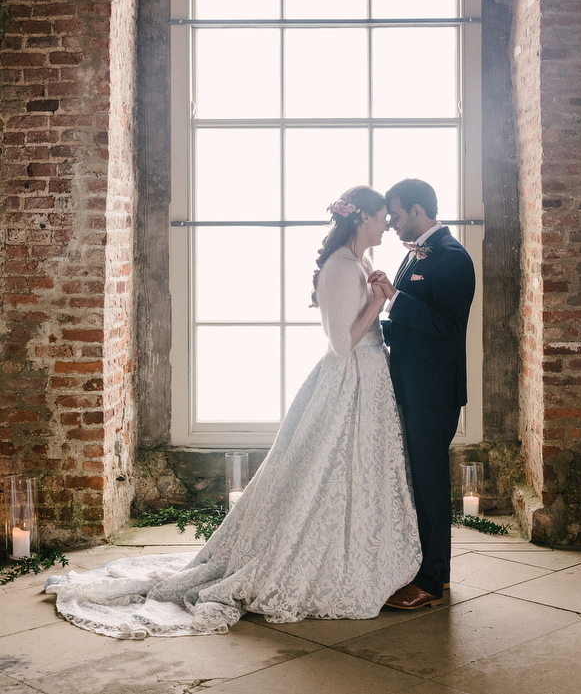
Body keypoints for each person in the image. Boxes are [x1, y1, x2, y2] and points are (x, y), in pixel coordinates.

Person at [45, 186, 421, 638]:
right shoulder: (342, 266)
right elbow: (342, 344)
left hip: (369, 382)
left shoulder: (359, 263)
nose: (388, 224)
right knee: (326, 475)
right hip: (350, 381)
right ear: (363, 219)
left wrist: (379, 293)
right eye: (383, 217)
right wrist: (379, 302)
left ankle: (363, 554)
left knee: (358, 476)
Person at [369, 178, 475, 610]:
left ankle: (430, 583)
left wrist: (395, 298)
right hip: (412, 386)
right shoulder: (415, 255)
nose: (391, 223)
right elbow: (416, 327)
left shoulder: (452, 258)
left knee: (431, 485)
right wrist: (371, 330)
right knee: (419, 481)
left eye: (394, 214)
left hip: (433, 393)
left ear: (417, 210)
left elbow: (450, 329)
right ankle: (434, 573)